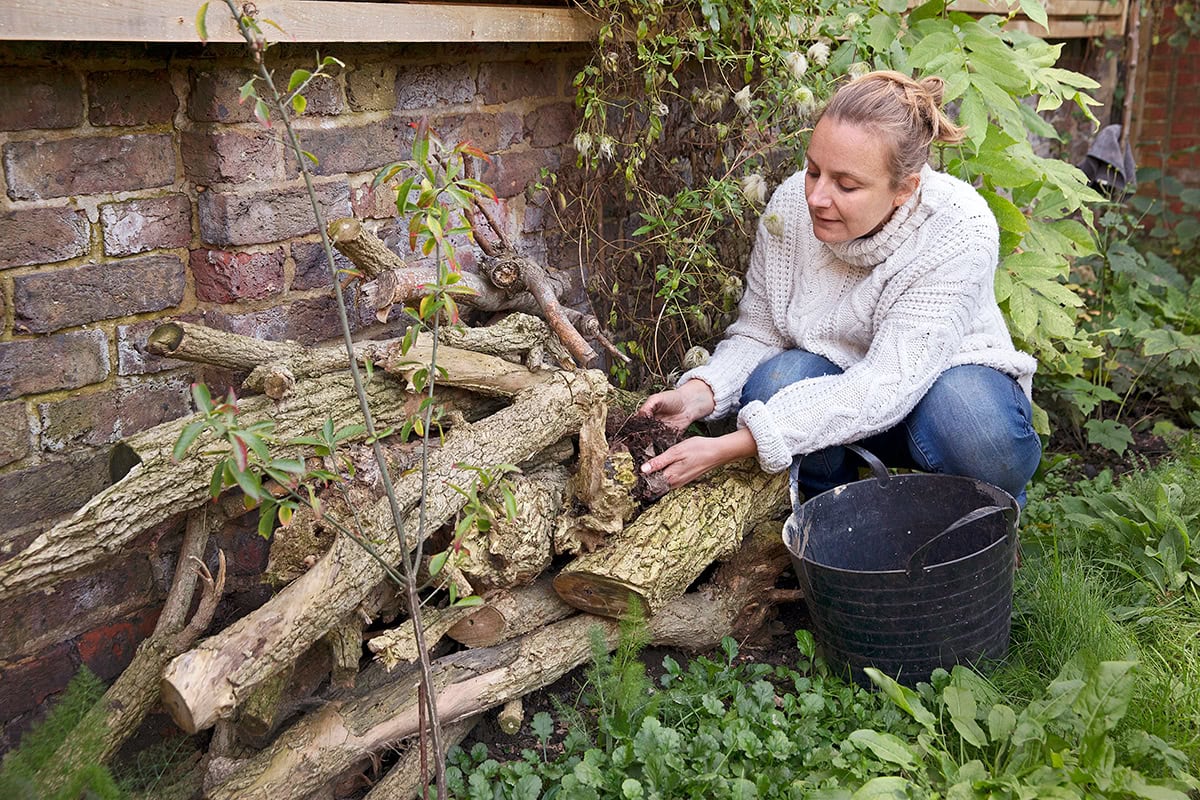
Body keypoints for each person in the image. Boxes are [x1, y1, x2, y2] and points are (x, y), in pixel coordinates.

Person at [638, 70, 1042, 505]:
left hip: (942, 396)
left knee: (976, 423)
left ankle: (984, 516)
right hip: (838, 391)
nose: (816, 198)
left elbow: (888, 382)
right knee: (777, 381)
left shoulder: (958, 227)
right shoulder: (792, 206)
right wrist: (698, 394)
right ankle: (835, 515)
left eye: (846, 185)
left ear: (904, 189)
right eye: (813, 171)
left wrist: (734, 445)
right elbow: (760, 332)